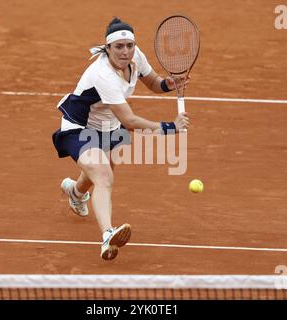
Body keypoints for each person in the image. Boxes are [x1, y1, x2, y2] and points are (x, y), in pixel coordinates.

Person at [52, 17, 189, 260]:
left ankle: (75, 192)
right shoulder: (102, 74)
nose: (125, 51)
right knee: (103, 174)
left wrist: (168, 84)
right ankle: (107, 235)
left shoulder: (136, 57)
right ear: (108, 48)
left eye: (129, 45)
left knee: (97, 172)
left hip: (109, 125)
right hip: (79, 127)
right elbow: (130, 121)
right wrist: (170, 127)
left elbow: (153, 83)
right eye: (119, 47)